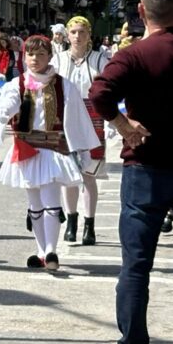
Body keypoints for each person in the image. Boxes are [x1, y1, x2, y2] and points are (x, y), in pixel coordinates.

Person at [89, 0, 173, 344]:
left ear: (141, 12)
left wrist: (123, 125)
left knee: (136, 266)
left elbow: (99, 94)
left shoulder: (133, 56)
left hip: (145, 170)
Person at [0, 35, 99, 273]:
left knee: (52, 201)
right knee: (34, 203)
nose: (34, 59)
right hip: (27, 149)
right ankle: (41, 251)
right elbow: (7, 107)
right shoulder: (17, 84)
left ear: (50, 57)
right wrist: (8, 109)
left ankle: (52, 250)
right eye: (30, 54)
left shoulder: (63, 85)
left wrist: (82, 149)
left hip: (53, 150)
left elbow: (77, 119)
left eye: (40, 54)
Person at [53, 15, 111, 245]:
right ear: (67, 36)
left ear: (89, 35)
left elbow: (110, 88)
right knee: (68, 174)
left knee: (88, 174)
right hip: (66, 119)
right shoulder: (58, 60)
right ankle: (72, 222)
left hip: (92, 118)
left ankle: (89, 225)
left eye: (82, 32)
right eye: (74, 32)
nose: (78, 36)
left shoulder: (99, 59)